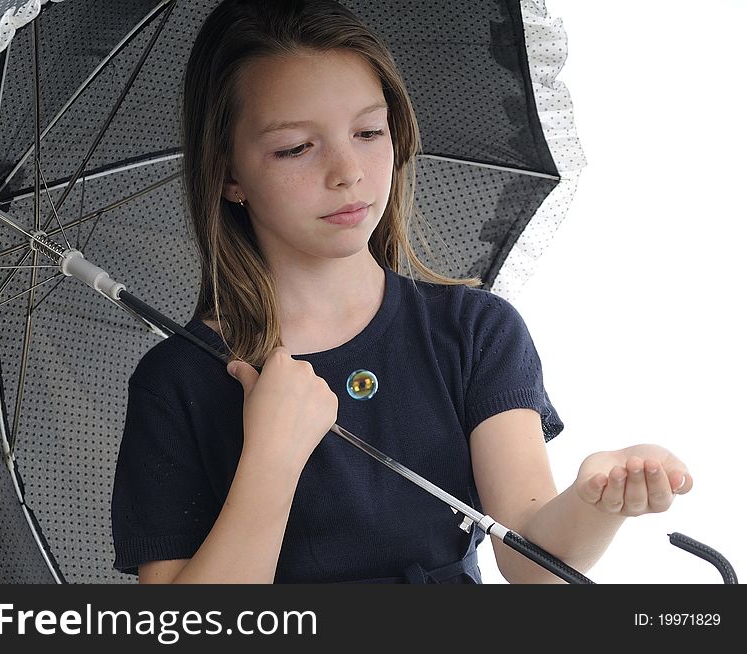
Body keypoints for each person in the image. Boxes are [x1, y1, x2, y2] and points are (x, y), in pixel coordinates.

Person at [111, 0, 692, 584]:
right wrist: (272, 455)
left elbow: (531, 561)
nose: (347, 171)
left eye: (368, 132)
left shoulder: (472, 332)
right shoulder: (179, 382)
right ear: (228, 173)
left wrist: (598, 499)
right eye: (295, 147)